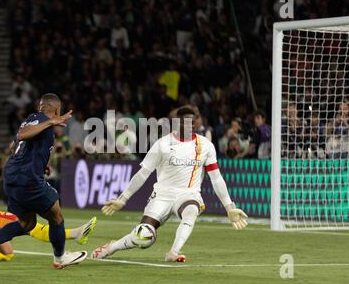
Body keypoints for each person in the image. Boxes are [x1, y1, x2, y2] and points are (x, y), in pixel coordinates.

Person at [92, 106, 248, 262]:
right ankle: (112, 247)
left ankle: (173, 252)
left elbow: (216, 178)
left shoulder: (205, 146)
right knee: (144, 237)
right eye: (186, 122)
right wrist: (123, 198)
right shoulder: (162, 144)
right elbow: (142, 174)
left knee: (191, 210)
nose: (190, 126)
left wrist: (229, 207)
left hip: (188, 194)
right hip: (162, 195)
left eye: (192, 122)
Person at [0, 94, 88, 272]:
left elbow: (15, 147)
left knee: (25, 224)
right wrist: (51, 122)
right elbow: (22, 135)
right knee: (56, 214)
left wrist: (42, 165)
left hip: (13, 175)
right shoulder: (42, 121)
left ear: (40, 107)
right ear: (57, 110)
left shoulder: (32, 119)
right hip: (26, 178)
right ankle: (60, 258)